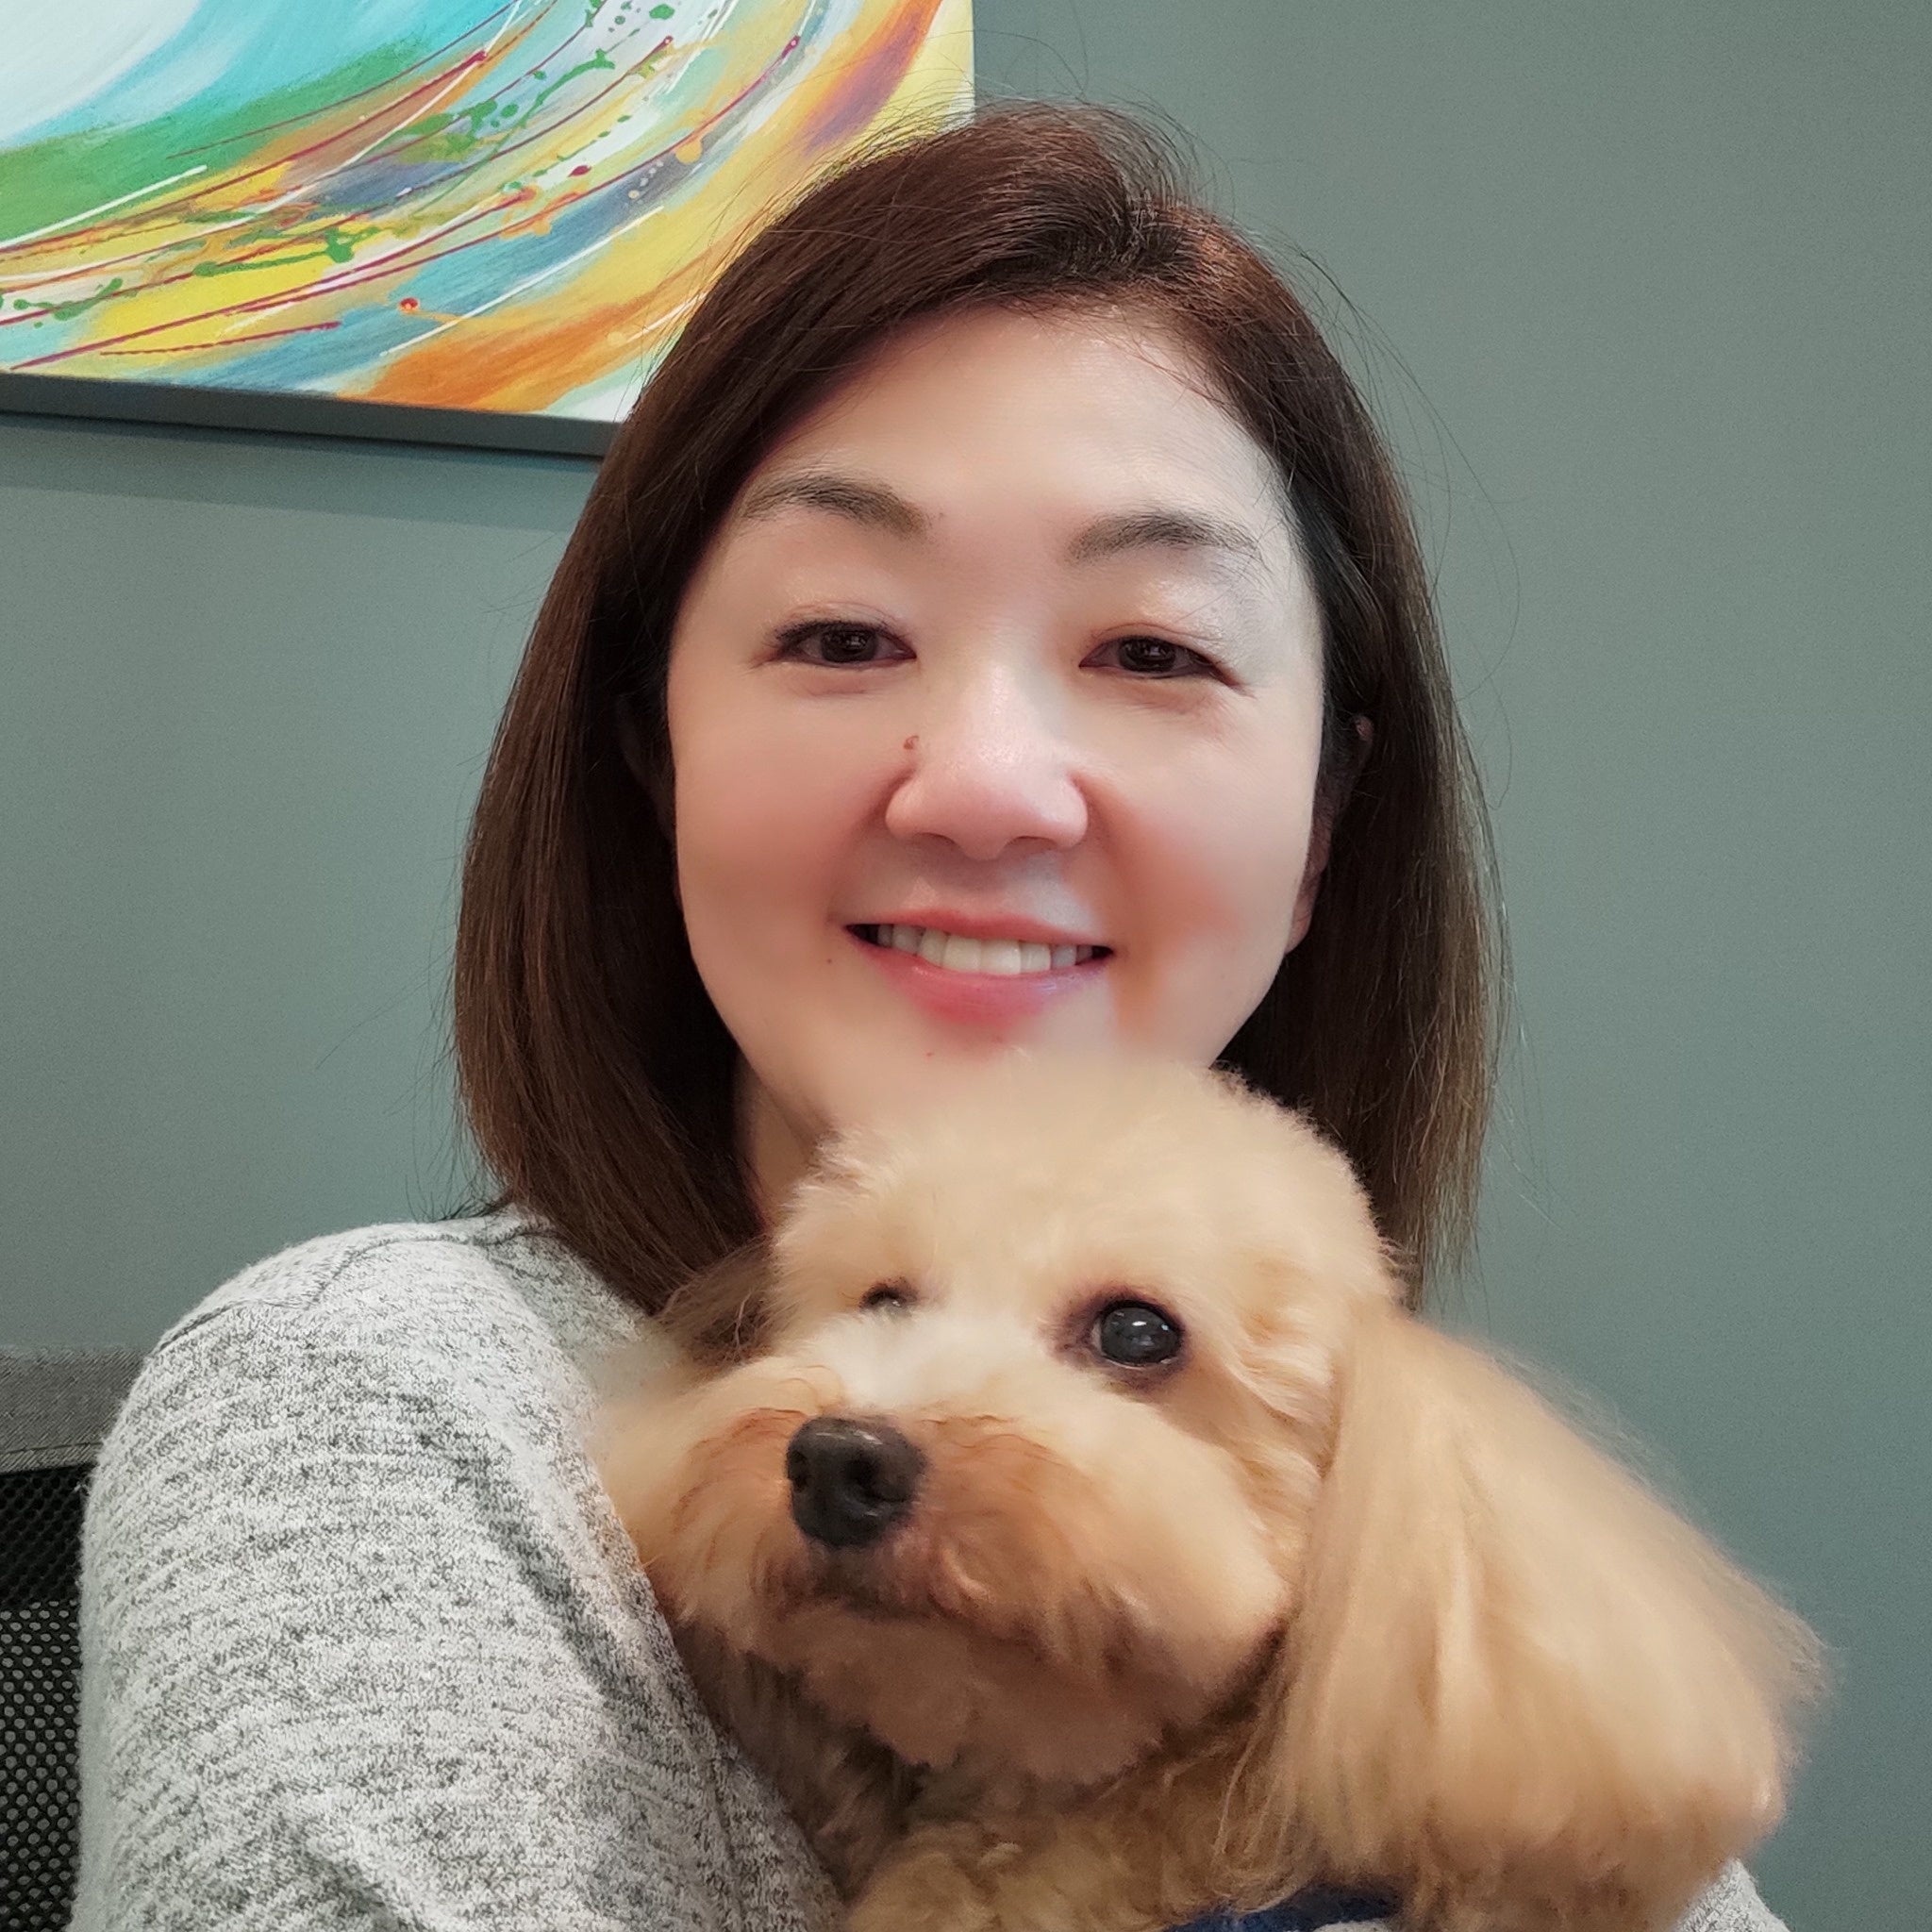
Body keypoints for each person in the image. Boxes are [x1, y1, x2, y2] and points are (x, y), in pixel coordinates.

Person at [72, 105, 1790, 1932]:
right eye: (842, 635)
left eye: (1151, 649)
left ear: (1322, 827)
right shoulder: (386, 1413)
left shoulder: (1441, 1590)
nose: (984, 786)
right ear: (655, 750)